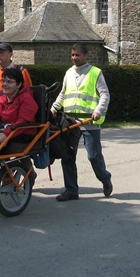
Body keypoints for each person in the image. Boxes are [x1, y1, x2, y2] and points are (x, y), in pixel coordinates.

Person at [50, 43, 112, 201]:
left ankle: (105, 178)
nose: (74, 58)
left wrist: (98, 110)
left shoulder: (95, 73)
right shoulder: (69, 73)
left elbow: (105, 94)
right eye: (72, 55)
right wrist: (54, 109)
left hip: (90, 121)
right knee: (68, 156)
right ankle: (71, 190)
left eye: (77, 55)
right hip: (70, 122)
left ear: (85, 55)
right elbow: (63, 94)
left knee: (93, 156)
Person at [0, 42, 33, 116]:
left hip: (15, 118)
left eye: (1, 52)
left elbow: (29, 97)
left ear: (10, 54)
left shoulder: (22, 72)